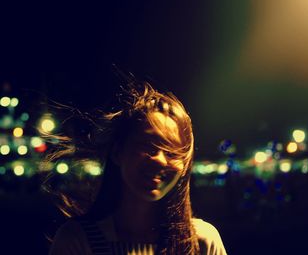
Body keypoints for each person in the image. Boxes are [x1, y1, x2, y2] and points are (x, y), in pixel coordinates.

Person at [45, 79, 227, 254]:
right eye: (147, 146)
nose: (160, 160)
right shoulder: (78, 240)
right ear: (118, 152)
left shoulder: (201, 241)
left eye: (172, 153)